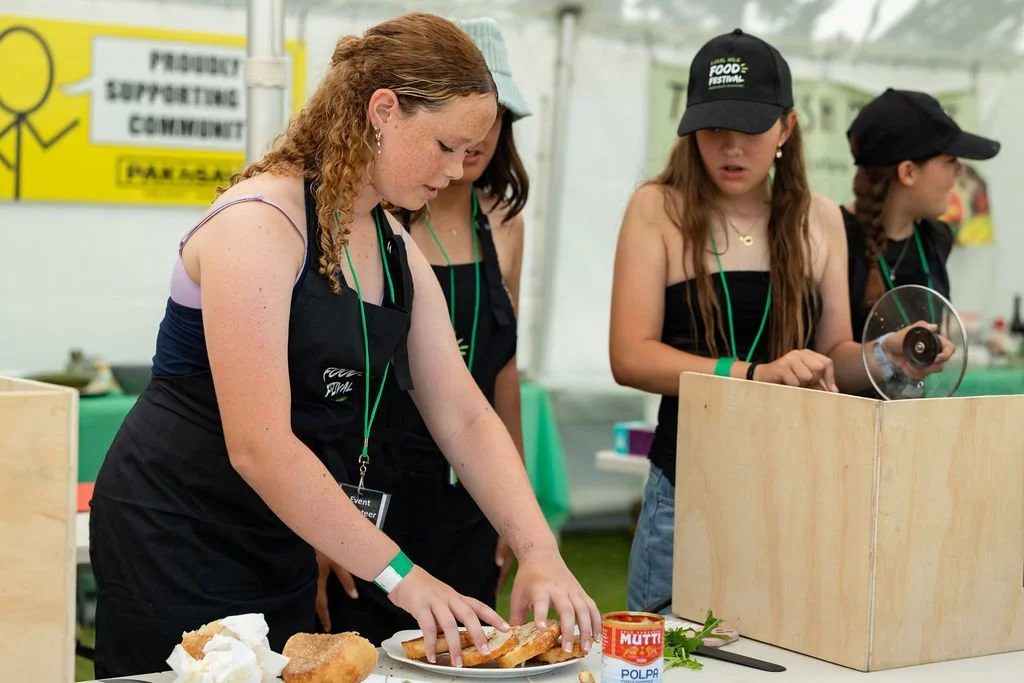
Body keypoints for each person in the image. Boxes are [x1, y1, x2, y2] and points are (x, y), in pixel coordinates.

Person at [89, 13, 598, 678]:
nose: (456, 169)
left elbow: (464, 412)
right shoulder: (260, 223)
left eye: (470, 151)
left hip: (284, 532)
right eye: (445, 145)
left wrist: (539, 548)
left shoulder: (390, 240)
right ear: (382, 110)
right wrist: (403, 575)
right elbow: (260, 445)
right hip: (177, 529)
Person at [608, 29, 953, 612]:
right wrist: (751, 375)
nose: (731, 147)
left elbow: (833, 354)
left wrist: (883, 355)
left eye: (751, 128)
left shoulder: (817, 219)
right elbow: (630, 356)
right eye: (714, 129)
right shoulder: (657, 208)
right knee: (666, 659)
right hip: (690, 485)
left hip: (797, 486)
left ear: (787, 129)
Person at [315, 17, 534, 645]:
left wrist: (514, 514)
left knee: (466, 648)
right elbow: (322, 386)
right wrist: (327, 524)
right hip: (371, 479)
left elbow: (491, 379)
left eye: (490, 127)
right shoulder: (368, 217)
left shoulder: (505, 223)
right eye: (449, 140)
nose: (471, 149)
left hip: (465, 483)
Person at [842, 88, 1001, 346]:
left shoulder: (937, 237)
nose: (960, 171)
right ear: (908, 172)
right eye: (950, 160)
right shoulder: (836, 237)